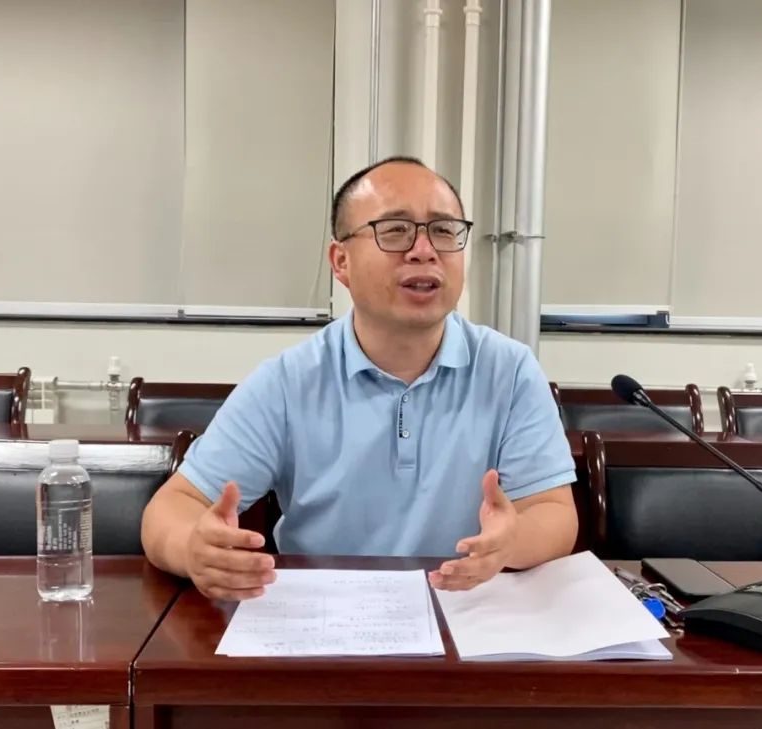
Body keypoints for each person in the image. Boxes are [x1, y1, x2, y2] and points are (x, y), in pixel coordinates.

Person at [141, 156, 577, 600]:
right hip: (324, 617)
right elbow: (173, 507)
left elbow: (553, 511)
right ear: (341, 261)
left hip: (469, 612)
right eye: (395, 230)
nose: (424, 250)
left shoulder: (509, 370)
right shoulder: (289, 382)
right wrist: (193, 548)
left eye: (444, 231)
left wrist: (510, 542)